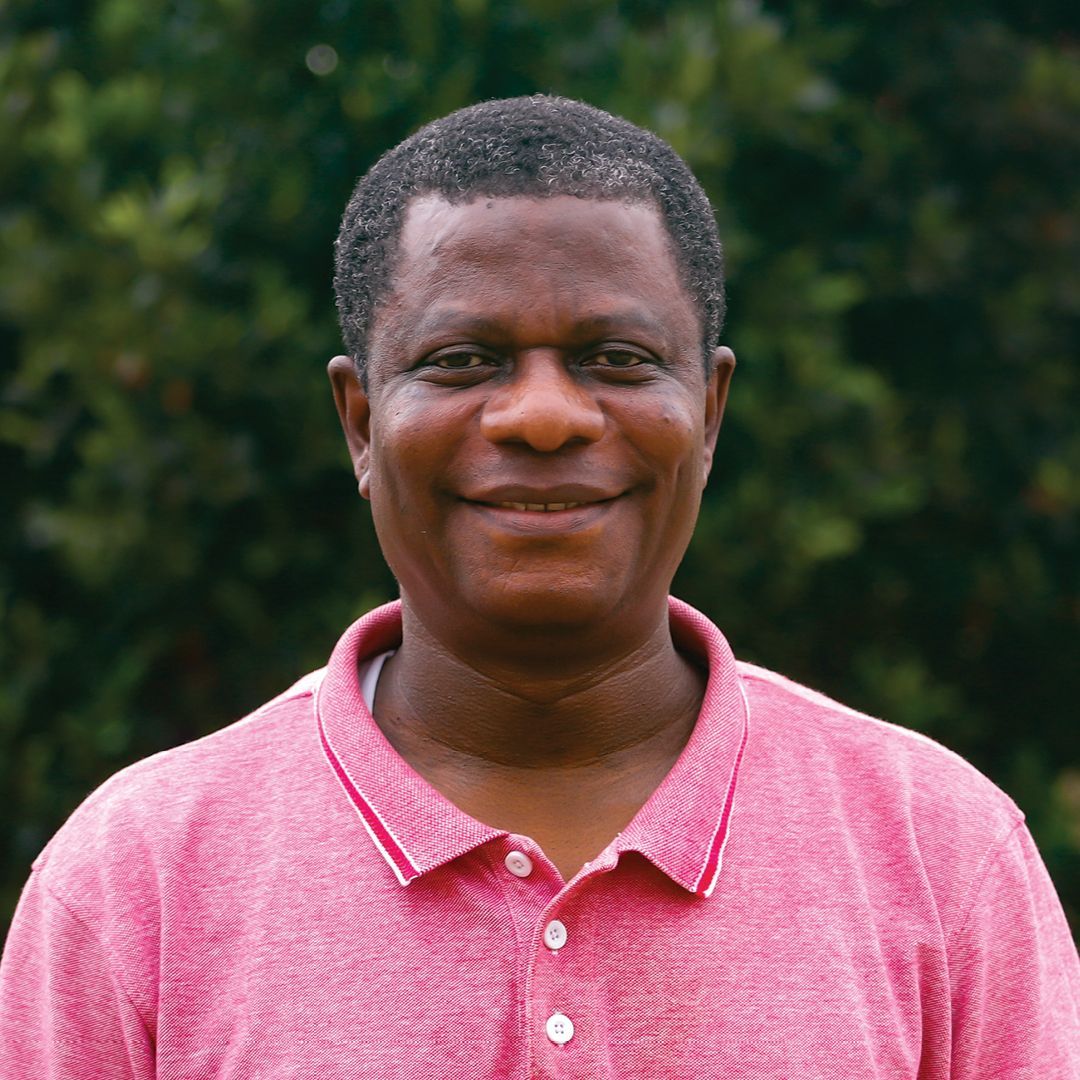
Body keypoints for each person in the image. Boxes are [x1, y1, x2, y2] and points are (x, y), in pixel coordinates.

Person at [1, 95, 1077, 1079]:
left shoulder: (940, 852)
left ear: (709, 412)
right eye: (463, 360)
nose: (544, 416)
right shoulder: (135, 883)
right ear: (361, 424)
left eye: (615, 358)